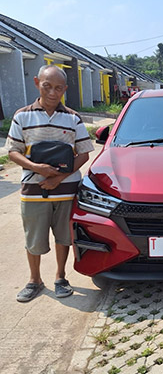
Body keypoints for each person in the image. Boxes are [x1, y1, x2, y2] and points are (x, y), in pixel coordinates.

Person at [6, 65, 94, 302]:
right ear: (37, 83)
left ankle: (60, 277)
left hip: (66, 191)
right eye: (47, 86)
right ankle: (34, 280)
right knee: (33, 239)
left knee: (64, 237)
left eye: (58, 88)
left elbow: (84, 153)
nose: (53, 93)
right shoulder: (22, 116)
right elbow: (13, 151)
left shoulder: (73, 118)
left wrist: (58, 178)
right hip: (33, 191)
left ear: (65, 89)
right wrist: (37, 168)